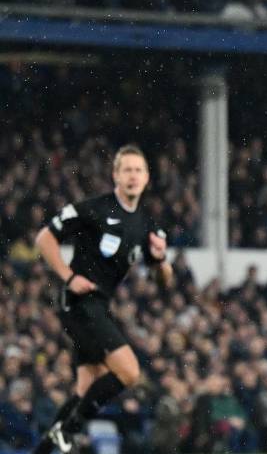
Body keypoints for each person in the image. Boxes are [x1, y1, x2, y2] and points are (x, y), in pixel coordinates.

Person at [33, 145, 172, 454]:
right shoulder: (94, 208)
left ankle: (45, 448)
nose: (133, 176)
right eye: (127, 170)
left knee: (85, 390)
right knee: (129, 372)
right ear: (115, 176)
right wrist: (68, 276)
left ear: (147, 178)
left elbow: (164, 282)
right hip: (78, 302)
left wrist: (162, 261)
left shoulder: (147, 225)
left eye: (138, 170)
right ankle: (68, 431)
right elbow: (44, 238)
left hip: (99, 306)